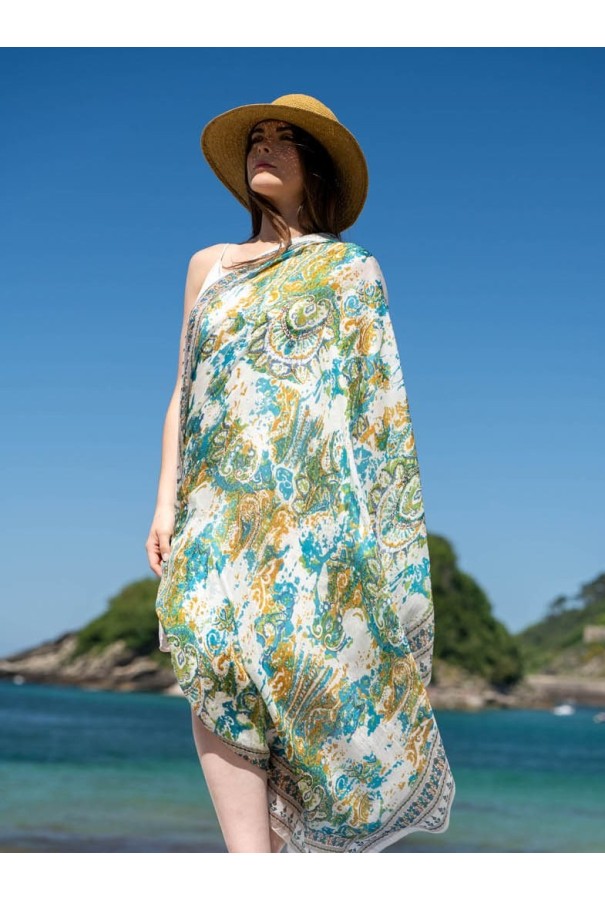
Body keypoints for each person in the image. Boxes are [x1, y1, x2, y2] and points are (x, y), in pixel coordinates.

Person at [146, 93, 456, 853]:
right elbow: (185, 386)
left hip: (310, 513)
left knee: (298, 668)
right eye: (257, 137)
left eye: (284, 139)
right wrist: (163, 504)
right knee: (209, 652)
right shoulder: (209, 266)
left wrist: (368, 530)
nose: (264, 147)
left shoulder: (351, 269)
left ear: (314, 166)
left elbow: (376, 406)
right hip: (215, 504)